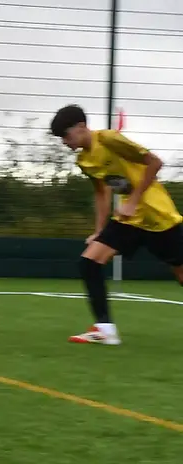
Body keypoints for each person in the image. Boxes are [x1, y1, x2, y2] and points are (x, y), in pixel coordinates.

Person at [50, 104, 183, 345]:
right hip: (128, 220)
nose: (64, 142)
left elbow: (154, 162)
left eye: (66, 135)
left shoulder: (110, 139)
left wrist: (132, 200)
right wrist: (99, 231)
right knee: (89, 262)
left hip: (157, 216)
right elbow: (101, 193)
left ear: (81, 127)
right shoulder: (84, 160)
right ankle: (105, 330)